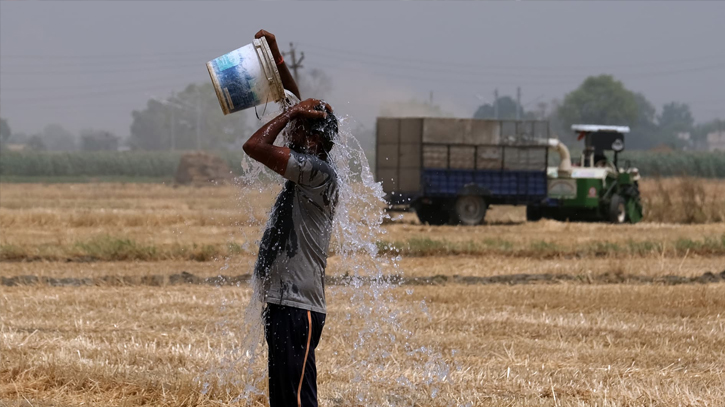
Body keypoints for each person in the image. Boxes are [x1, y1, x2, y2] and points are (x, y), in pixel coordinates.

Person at [243, 29, 339, 407]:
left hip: (299, 309)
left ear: (316, 142)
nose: (292, 132)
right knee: (284, 402)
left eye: (300, 128)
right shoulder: (312, 166)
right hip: (285, 304)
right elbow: (296, 101)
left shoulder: (316, 172)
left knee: (298, 401)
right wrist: (277, 58)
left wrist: (289, 113)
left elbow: (254, 146)